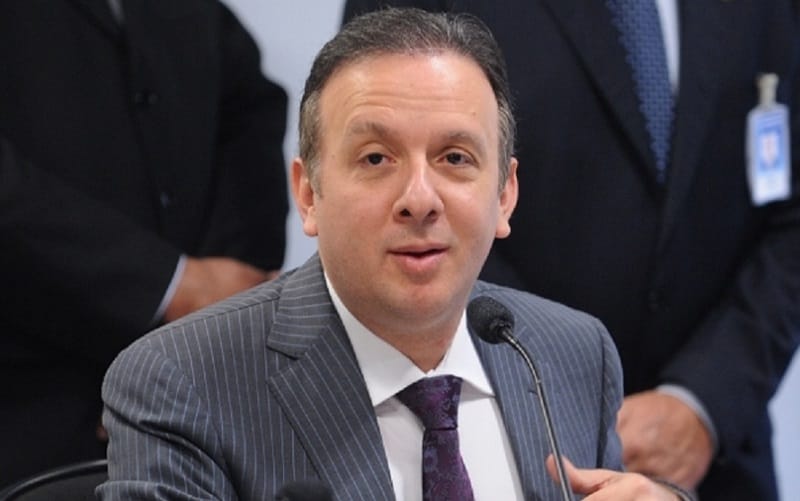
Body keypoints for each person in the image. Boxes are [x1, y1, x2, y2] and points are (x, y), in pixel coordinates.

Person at [98, 8, 693, 500]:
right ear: (308, 193)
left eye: (455, 158)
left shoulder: (574, 354)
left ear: (504, 196)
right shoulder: (182, 381)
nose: (419, 200)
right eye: (376, 158)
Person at [340, 1, 800, 500]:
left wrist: (704, 400)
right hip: (492, 441)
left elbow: (789, 219)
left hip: (715, 459)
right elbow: (386, 187)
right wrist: (560, 391)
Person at [0, 0, 288, 486]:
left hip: (192, 401)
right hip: (30, 396)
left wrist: (215, 318)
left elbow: (246, 108)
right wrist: (169, 286)